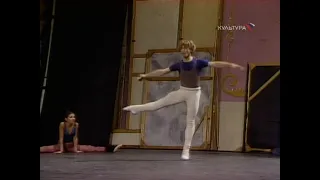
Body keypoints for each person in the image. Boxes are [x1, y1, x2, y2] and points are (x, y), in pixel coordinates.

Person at [123, 40, 244, 160]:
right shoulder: (178, 64)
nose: (184, 50)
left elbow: (215, 63)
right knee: (157, 104)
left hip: (194, 94)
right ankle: (135, 108)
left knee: (190, 121)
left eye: (187, 48)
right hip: (182, 91)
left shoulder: (198, 62)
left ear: (191, 50)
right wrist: (145, 75)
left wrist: (230, 65)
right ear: (181, 50)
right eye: (182, 48)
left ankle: (186, 150)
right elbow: (162, 71)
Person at [40, 111, 122, 153]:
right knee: (45, 148)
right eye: (71, 117)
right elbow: (61, 138)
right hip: (61, 146)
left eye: (74, 117)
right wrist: (61, 150)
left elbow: (75, 138)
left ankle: (110, 148)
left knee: (89, 148)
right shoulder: (62, 124)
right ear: (66, 119)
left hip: (71, 146)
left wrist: (75, 149)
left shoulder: (76, 125)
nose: (73, 118)